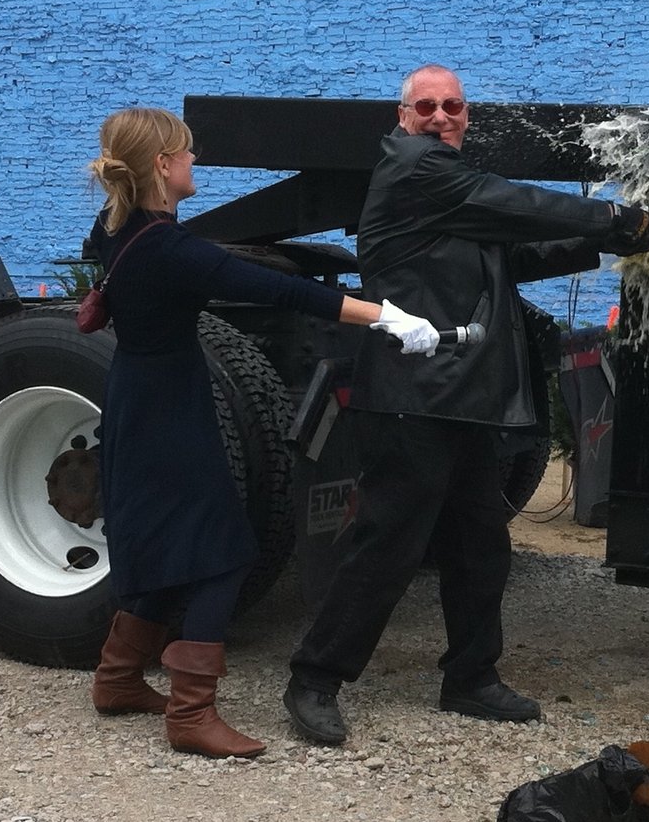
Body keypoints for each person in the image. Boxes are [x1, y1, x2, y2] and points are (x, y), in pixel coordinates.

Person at [282, 65, 649, 745]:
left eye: (451, 105)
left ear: (466, 115)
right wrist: (611, 216)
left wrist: (608, 241)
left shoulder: (449, 198)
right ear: (402, 118)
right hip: (412, 396)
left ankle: (471, 678)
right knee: (387, 545)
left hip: (461, 398)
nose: (439, 116)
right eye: (424, 106)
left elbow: (509, 259)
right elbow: (519, 204)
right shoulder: (416, 169)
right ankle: (314, 678)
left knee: (480, 546)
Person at [85, 106, 440, 759]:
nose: (196, 163)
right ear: (163, 165)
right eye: (187, 153)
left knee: (172, 537)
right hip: (170, 410)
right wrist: (386, 315)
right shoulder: (173, 249)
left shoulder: (118, 230)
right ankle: (191, 712)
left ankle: (117, 676)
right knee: (222, 550)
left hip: (138, 396)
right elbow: (291, 295)